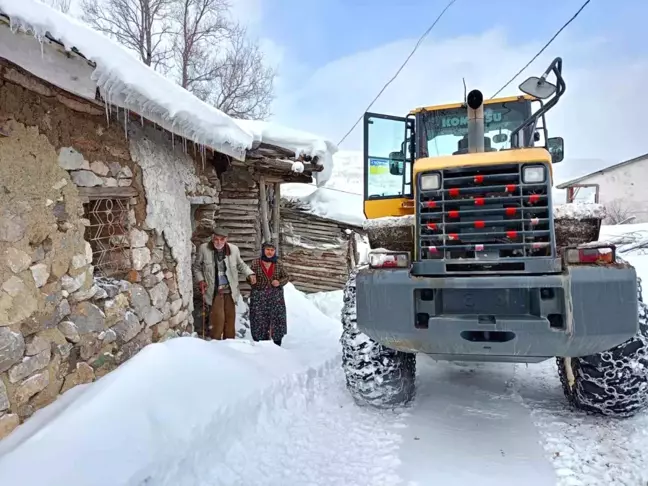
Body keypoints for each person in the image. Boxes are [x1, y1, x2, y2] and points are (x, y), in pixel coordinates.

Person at [193, 227, 256, 340]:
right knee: (218, 319)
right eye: (216, 239)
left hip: (230, 290)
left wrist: (250, 274)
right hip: (215, 290)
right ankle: (215, 343)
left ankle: (229, 344)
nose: (219, 242)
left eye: (221, 240)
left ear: (226, 239)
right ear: (213, 238)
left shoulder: (234, 250)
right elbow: (197, 267)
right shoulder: (204, 249)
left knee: (230, 319)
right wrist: (201, 280)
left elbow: (241, 264)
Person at [249, 242, 290, 346]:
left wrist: (279, 282)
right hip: (259, 297)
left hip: (275, 297)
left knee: (276, 319)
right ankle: (259, 343)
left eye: (272, 250)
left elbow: (286, 277)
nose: (270, 252)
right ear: (263, 250)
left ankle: (277, 344)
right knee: (259, 319)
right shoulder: (255, 263)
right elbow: (249, 276)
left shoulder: (278, 264)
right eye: (267, 249)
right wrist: (250, 279)